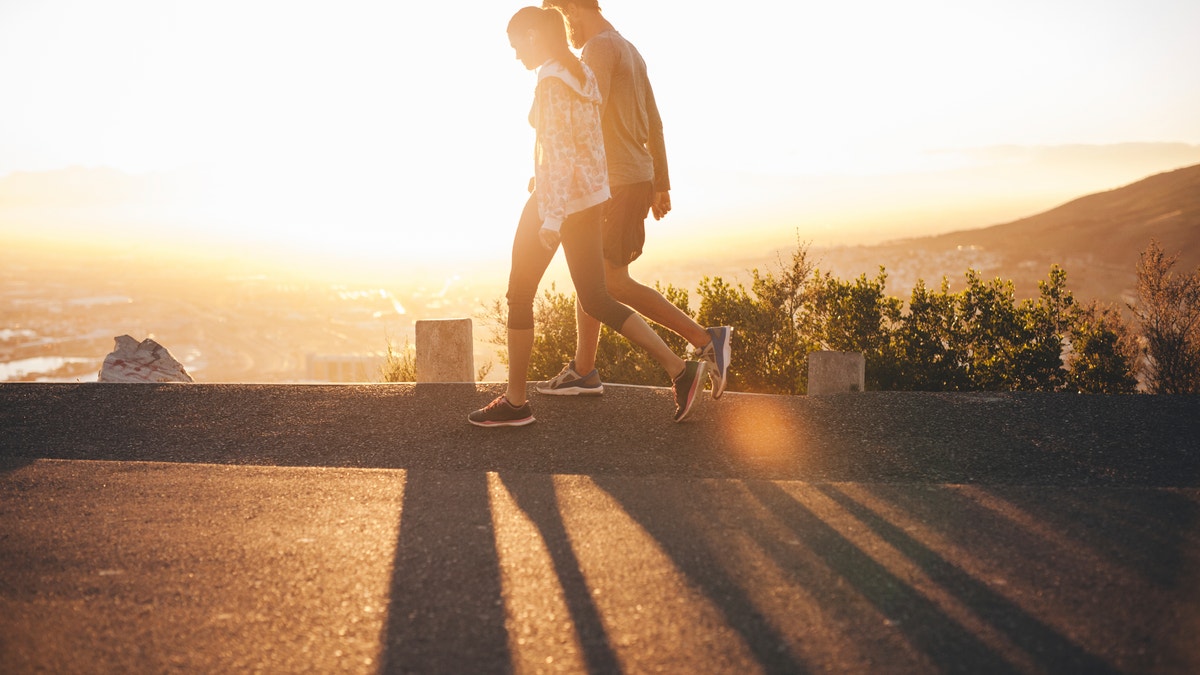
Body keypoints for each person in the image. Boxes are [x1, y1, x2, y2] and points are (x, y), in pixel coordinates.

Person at [469, 6, 706, 428]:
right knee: (597, 296)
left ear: (534, 37)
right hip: (590, 200)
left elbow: (559, 154)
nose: (515, 55)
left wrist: (550, 219)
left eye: (516, 44)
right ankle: (679, 369)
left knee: (520, 295)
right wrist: (593, 197)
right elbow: (593, 145)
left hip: (554, 202)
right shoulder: (582, 75)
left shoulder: (551, 81)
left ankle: (516, 403)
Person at [535, 0, 733, 400]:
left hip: (616, 181)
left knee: (610, 282)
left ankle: (705, 338)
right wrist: (660, 182)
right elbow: (655, 122)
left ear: (573, 8)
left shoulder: (597, 50)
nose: (562, 28)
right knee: (591, 273)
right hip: (632, 178)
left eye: (559, 15)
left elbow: (586, 119)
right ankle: (584, 369)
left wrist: (556, 171)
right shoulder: (629, 48)